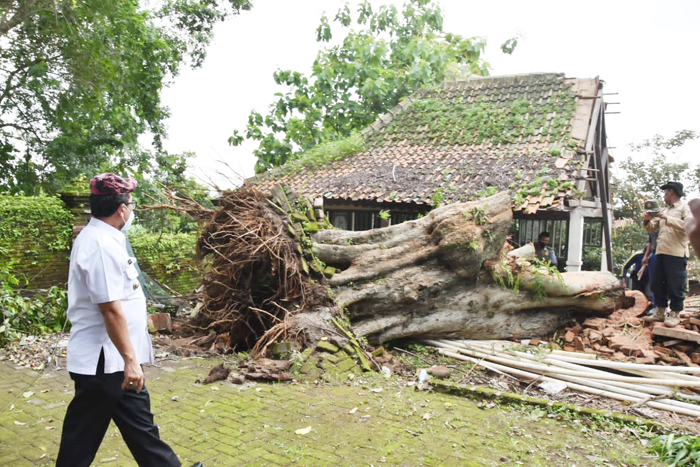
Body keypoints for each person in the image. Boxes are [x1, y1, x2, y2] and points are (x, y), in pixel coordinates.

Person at [56, 173, 202, 467]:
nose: (132, 210)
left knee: (140, 427)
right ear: (121, 208)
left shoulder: (107, 239)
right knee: (81, 438)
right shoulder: (100, 245)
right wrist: (130, 361)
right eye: (131, 204)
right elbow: (110, 309)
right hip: (105, 361)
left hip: (115, 360)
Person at [643, 181, 691, 327]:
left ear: (672, 192)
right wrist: (647, 220)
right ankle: (660, 311)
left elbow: (689, 226)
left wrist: (667, 218)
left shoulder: (685, 208)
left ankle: (675, 313)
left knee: (675, 285)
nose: (664, 196)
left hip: (676, 253)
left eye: (666, 192)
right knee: (657, 283)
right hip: (661, 252)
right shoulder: (664, 210)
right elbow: (651, 229)